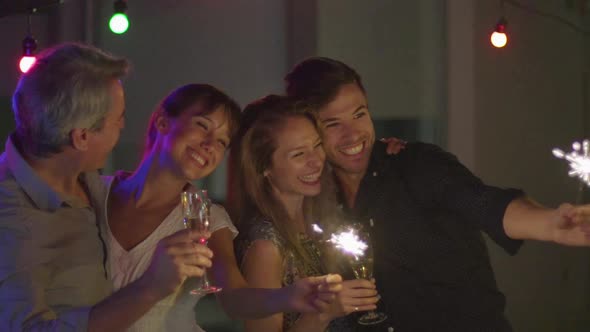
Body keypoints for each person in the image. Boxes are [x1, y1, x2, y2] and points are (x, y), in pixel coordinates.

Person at [284, 57, 590, 332]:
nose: (354, 135)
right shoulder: (317, 196)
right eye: (333, 124)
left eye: (359, 114)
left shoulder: (418, 165)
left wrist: (550, 224)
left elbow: (486, 204)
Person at [0, 42, 214, 331]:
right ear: (82, 138)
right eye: (118, 118)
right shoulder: (14, 219)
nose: (123, 126)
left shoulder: (84, 179)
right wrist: (151, 286)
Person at [103, 84, 343, 331]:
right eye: (202, 126)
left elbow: (233, 297)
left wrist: (287, 296)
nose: (209, 144)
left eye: (221, 141)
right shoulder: (95, 194)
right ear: (163, 122)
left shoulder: (208, 218)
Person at [233, 95, 379, 332]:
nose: (316, 161)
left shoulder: (318, 219)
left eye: (317, 145)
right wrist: (324, 313)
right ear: (264, 167)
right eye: (299, 154)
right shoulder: (265, 246)